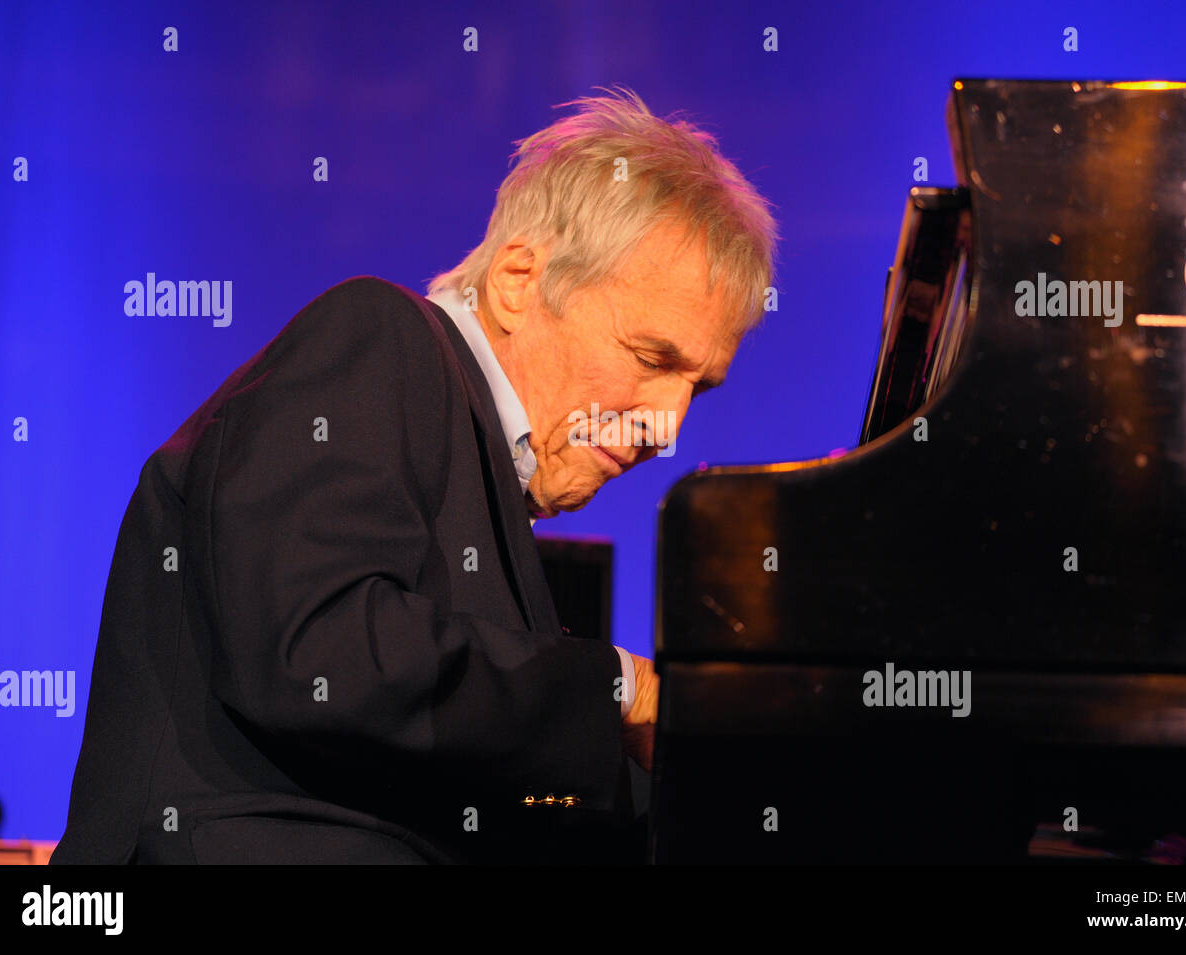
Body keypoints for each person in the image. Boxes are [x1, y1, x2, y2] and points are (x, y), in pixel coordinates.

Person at [51, 86, 778, 864]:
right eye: (651, 358)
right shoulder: (381, 336)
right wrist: (623, 686)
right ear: (518, 280)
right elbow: (316, 649)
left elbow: (479, 766)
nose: (666, 426)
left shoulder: (479, 473)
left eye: (696, 387)